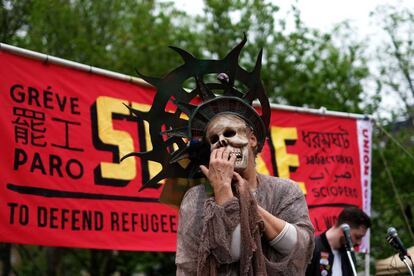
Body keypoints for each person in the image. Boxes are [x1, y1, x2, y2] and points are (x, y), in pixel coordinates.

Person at [305, 207, 371, 276]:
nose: (359, 242)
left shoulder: (349, 255)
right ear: (344, 230)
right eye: (357, 237)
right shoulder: (312, 248)